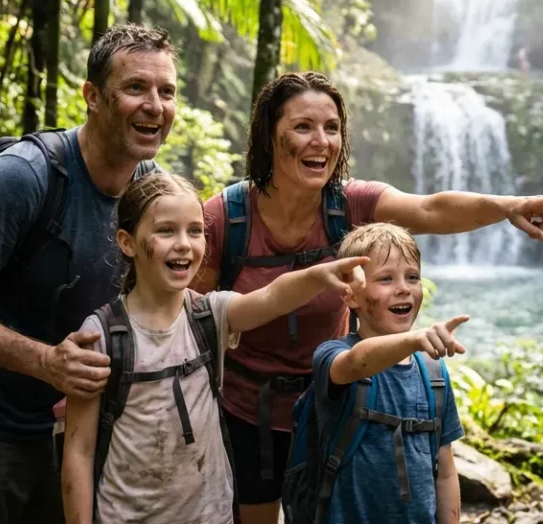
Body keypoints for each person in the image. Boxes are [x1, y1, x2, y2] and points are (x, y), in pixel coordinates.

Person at [191, 72, 543, 524]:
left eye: (332, 128)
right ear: (270, 136)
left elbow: (430, 209)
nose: (322, 141)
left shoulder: (349, 204)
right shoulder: (225, 218)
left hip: (338, 409)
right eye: (303, 127)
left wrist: (508, 207)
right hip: (245, 412)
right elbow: (189, 318)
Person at [0, 24, 178, 524]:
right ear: (93, 96)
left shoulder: (150, 190)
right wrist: (46, 362)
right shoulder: (23, 176)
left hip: (72, 437)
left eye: (166, 92)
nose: (154, 105)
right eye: (136, 88)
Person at [60, 172, 370, 524]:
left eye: (195, 231)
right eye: (166, 231)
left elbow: (272, 297)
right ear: (127, 242)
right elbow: (79, 450)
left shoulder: (210, 315)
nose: (183, 243)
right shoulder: (101, 336)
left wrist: (320, 275)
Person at [311, 223, 466, 524]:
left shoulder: (433, 372)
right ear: (350, 295)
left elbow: (445, 471)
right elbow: (358, 362)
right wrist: (415, 339)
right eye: (385, 279)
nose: (403, 288)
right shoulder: (332, 356)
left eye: (412, 277)